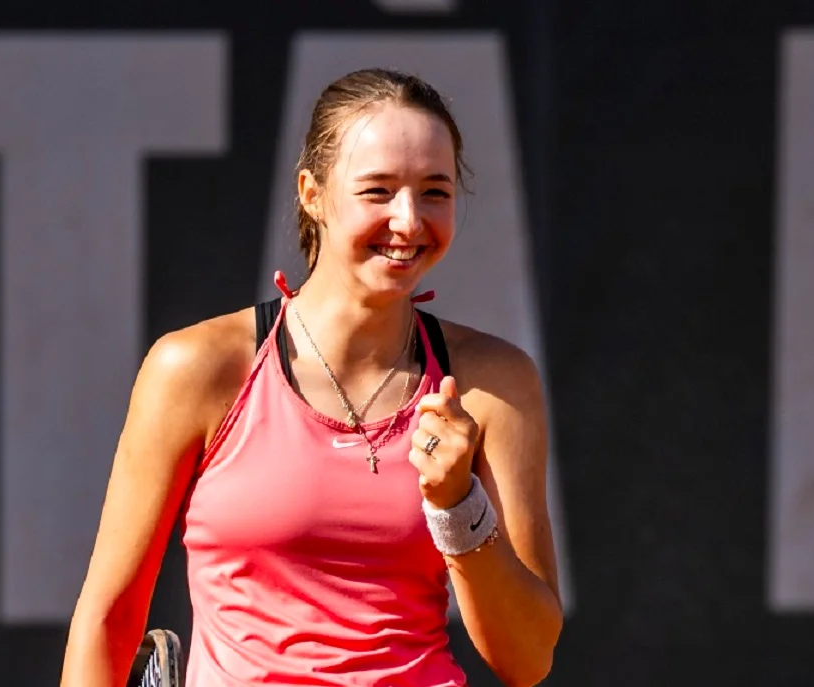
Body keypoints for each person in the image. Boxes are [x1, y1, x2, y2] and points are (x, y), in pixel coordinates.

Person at [60, 67, 563, 687]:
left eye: (435, 191)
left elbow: (528, 658)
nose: (409, 221)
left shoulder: (494, 382)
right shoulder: (195, 368)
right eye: (377, 191)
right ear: (312, 193)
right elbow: (108, 621)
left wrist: (459, 506)